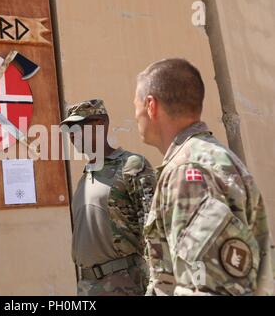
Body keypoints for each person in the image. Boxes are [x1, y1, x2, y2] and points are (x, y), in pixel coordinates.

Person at [133, 58, 274, 296]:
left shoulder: (188, 174)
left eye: (135, 106)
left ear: (151, 105)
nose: (135, 115)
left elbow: (210, 287)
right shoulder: (213, 159)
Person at [60, 99, 156, 296]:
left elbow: (154, 229)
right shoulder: (86, 176)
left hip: (124, 283)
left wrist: (158, 285)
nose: (72, 135)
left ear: (101, 124)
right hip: (88, 285)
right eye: (69, 130)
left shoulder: (131, 166)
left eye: (78, 127)